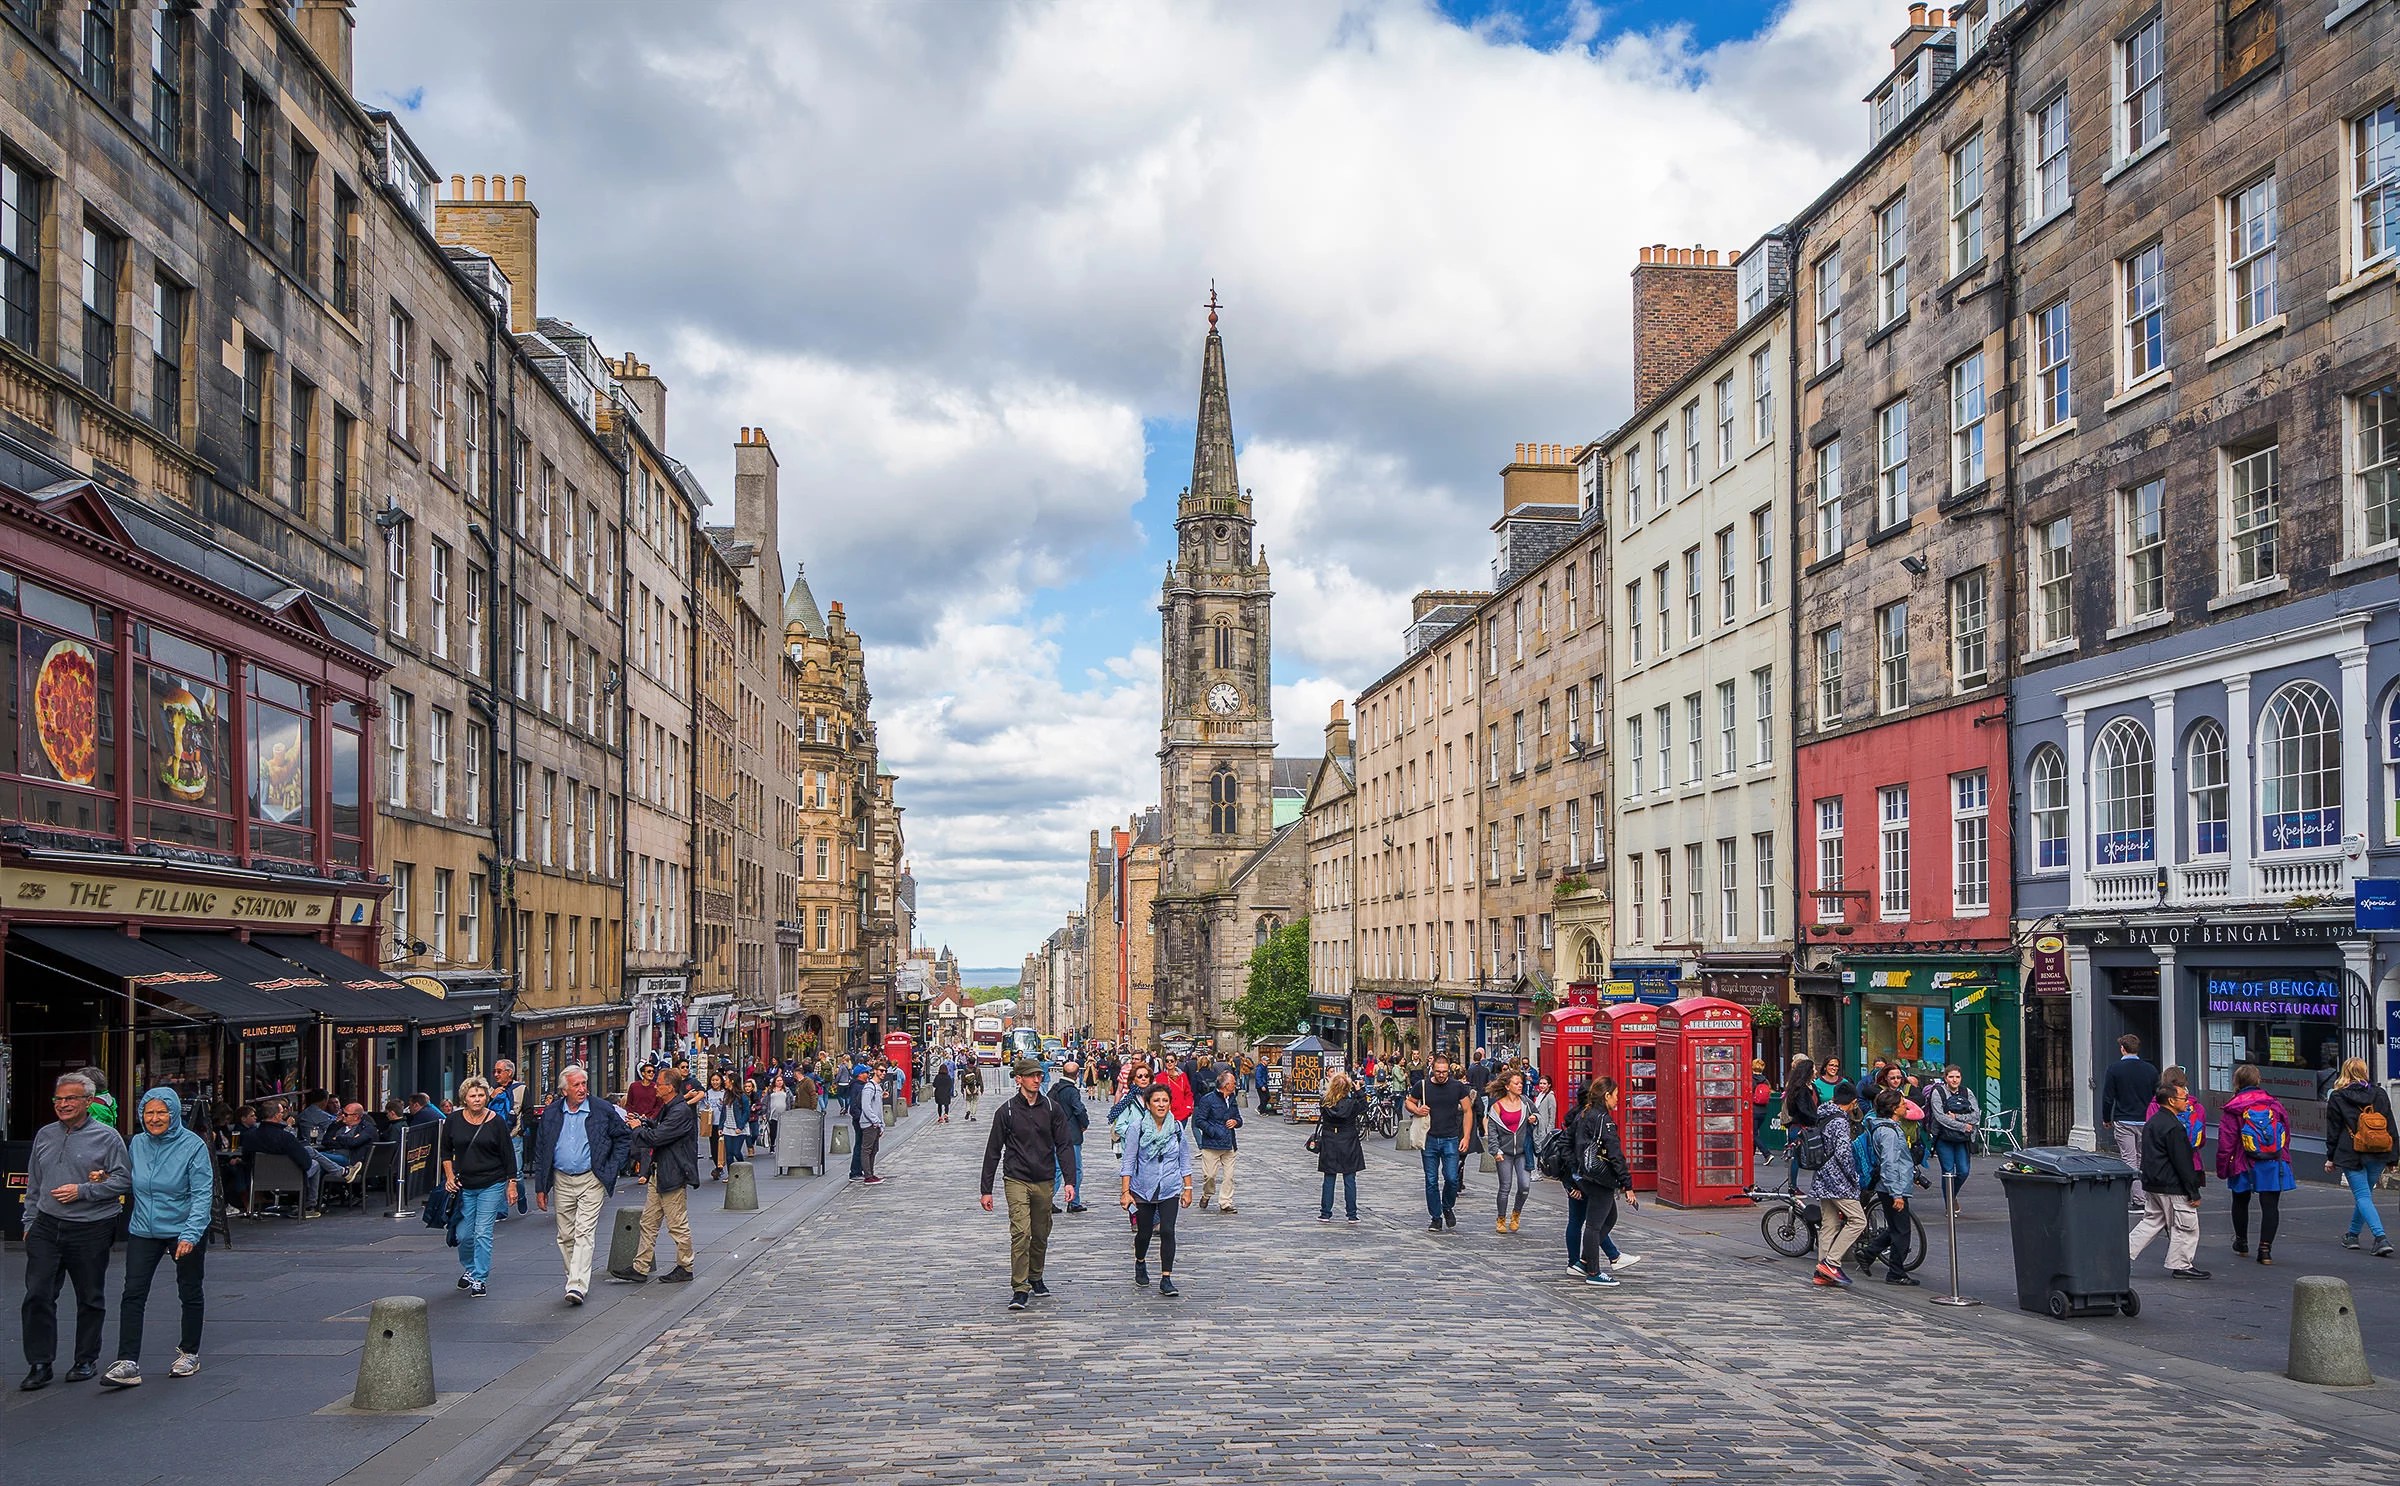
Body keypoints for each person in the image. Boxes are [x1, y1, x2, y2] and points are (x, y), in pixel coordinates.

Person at [20, 1072, 132, 1390]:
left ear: (88, 1101)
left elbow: (123, 1180)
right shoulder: (44, 1135)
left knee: (89, 1297)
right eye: (59, 1099)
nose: (64, 1104)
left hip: (91, 1226)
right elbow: (34, 1184)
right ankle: (40, 1363)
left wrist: (82, 1191)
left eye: (71, 1098)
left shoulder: (107, 1137)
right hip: (46, 1225)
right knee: (38, 1294)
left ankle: (85, 1360)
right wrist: (29, 1223)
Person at [101, 1088, 214, 1387]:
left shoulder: (193, 1146)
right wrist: (103, 1178)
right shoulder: (137, 1143)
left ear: (174, 1114)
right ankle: (127, 1362)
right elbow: (126, 1178)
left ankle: (189, 1352)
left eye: (161, 1112)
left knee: (189, 1290)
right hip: (143, 1228)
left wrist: (190, 1234)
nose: (154, 1119)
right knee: (133, 1293)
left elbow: (203, 1195)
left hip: (184, 1228)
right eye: (149, 1113)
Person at [979, 1058, 1080, 1312]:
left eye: (1039, 1075)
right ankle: (1020, 1287)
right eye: (1032, 1075)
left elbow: (1064, 1145)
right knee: (1021, 1232)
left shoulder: (1051, 1108)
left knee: (1041, 1232)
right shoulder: (1007, 1111)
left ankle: (1036, 1275)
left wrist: (1069, 1181)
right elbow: (993, 1150)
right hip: (1016, 1178)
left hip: (1044, 1178)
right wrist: (986, 1189)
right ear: (1019, 1079)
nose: (1037, 1079)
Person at [531, 1065, 632, 1305]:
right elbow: (542, 1150)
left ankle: (577, 1285)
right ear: (564, 1090)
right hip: (562, 1178)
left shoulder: (602, 1109)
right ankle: (573, 1276)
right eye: (576, 1085)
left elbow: (623, 1137)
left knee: (584, 1231)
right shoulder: (552, 1112)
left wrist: (611, 1167)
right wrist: (540, 1187)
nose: (582, 1089)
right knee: (565, 1235)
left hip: (591, 1178)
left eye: (584, 1084)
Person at [612, 1069, 700, 1285]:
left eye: (659, 1083)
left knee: (677, 1223)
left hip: (673, 1173)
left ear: (669, 1087)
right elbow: (659, 1129)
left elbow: (658, 1137)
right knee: (648, 1222)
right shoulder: (671, 1107)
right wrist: (643, 1122)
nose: (655, 1086)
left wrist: (636, 1129)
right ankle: (640, 1267)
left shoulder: (680, 1111)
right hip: (660, 1171)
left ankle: (685, 1266)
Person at [441, 1077, 519, 1298]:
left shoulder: (496, 1122)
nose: (477, 1099)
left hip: (492, 1182)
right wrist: (449, 1176)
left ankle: (479, 1278)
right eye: (473, 1096)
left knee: (483, 1231)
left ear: (487, 1097)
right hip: (464, 1184)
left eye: (481, 1095)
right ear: (464, 1098)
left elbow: (508, 1155)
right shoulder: (454, 1120)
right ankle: (470, 1268)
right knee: (463, 1234)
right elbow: (445, 1151)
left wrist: (511, 1184)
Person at [1118, 1083, 1194, 1296]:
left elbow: (1184, 1158)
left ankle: (1166, 1278)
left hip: (1169, 1187)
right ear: (1148, 1104)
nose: (1161, 1105)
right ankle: (1140, 1261)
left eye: (1165, 1101)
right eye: (1156, 1101)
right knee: (1144, 1233)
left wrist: (1187, 1187)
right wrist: (1126, 1192)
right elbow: (1129, 1161)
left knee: (1168, 1231)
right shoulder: (1137, 1127)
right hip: (1143, 1188)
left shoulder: (1176, 1128)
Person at [2130, 1076, 2209, 1279]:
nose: (2187, 1101)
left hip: (2153, 1182)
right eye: (2184, 1097)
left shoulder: (2154, 1122)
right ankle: (2181, 1264)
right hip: (2171, 1185)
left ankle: (2122, 1254)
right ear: (2172, 1101)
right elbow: (2182, 1162)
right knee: (2186, 1225)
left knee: (2152, 1221)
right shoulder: (2174, 1127)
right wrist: (2193, 1191)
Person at [2214, 1063, 2293, 1265]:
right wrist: (2283, 1158)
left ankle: (2241, 1242)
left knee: (2240, 1201)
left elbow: (2226, 1141)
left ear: (2237, 1082)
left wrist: (2223, 1168)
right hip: (2272, 1160)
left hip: (2243, 1161)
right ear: (2258, 1081)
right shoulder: (2274, 1105)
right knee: (2270, 1205)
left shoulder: (2234, 1108)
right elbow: (2286, 1134)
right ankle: (2265, 1250)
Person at [2323, 1057, 2395, 1256]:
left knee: (2363, 1196)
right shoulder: (2379, 1094)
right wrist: (2393, 1157)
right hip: (2379, 1151)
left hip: (2351, 1152)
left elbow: (2334, 1130)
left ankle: (2380, 1238)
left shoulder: (2338, 1097)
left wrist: (2331, 1157)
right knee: (2365, 1196)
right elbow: (2390, 1125)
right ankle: (2352, 1235)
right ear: (2364, 1071)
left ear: (2345, 1072)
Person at [1565, 1075, 1631, 1286]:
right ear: (1607, 1095)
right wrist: (1627, 1184)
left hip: (1585, 1176)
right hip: (1599, 1177)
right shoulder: (1603, 1119)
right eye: (1617, 1095)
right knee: (1594, 1226)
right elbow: (1615, 1154)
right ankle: (1593, 1271)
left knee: (1609, 1217)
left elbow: (1566, 1142)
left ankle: (1584, 1260)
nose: (1618, 1100)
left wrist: (1576, 1169)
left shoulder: (1583, 1115)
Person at [1852, 1088, 1920, 1286]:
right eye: (1901, 1104)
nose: (1905, 1106)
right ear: (1892, 1108)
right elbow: (1889, 1163)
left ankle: (1868, 1253)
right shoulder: (1888, 1132)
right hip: (1892, 1186)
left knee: (1896, 1227)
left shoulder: (1884, 1127)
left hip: (1891, 1184)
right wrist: (1896, 1193)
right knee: (1902, 1231)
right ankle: (1895, 1272)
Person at [1407, 1053, 1477, 1231]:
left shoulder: (1457, 1087)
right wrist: (1417, 1109)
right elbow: (1409, 1102)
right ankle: (1436, 1217)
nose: (1441, 1075)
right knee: (1431, 1180)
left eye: (1444, 1071)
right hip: (1429, 1138)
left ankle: (1447, 1206)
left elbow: (1468, 1111)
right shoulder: (1422, 1085)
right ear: (1432, 1069)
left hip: (1451, 1138)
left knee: (1452, 1178)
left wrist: (1466, 1137)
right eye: (1438, 1071)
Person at [1809, 1081, 1866, 1289]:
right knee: (1859, 1221)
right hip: (1838, 1179)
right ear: (1852, 1102)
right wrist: (1854, 1176)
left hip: (1822, 1175)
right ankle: (1831, 1263)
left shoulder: (1823, 1113)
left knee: (1829, 1224)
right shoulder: (1840, 1121)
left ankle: (1821, 1272)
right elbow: (1843, 1153)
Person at [2100, 1033, 2161, 1210]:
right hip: (2145, 1119)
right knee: (2143, 1158)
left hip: (2124, 1118)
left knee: (2129, 1158)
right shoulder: (2150, 1069)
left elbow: (2108, 1097)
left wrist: (2106, 1117)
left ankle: (2137, 1199)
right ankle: (2146, 1196)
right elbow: (2157, 1095)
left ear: (2122, 1048)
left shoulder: (2114, 1069)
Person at [240, 1101, 328, 1216]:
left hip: (259, 1178)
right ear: (277, 1116)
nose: (282, 1115)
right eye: (282, 1112)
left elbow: (246, 1159)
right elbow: (306, 1162)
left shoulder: (249, 1136)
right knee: (315, 1164)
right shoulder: (286, 1137)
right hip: (289, 1178)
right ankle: (309, 1206)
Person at [1924, 1064, 1981, 1216]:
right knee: (1948, 1171)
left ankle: (1952, 1195)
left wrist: (1957, 1118)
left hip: (1962, 1139)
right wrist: (1964, 1126)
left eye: (1957, 1077)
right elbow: (1940, 1117)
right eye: (1951, 1077)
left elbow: (1976, 1116)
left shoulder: (1967, 1092)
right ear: (1945, 1078)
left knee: (1963, 1171)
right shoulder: (1938, 1092)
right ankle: (1949, 1203)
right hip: (1944, 1137)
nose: (1954, 1080)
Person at [1487, 1070, 1534, 1234]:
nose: (1520, 1085)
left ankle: (1516, 1212)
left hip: (1523, 1152)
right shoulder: (1497, 1106)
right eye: (1516, 1083)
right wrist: (1495, 1151)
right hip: (1504, 1152)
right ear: (1507, 1086)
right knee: (1505, 1187)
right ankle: (1501, 1218)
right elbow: (1492, 1131)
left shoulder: (1526, 1103)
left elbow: (1537, 1115)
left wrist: (1534, 1118)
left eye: (1521, 1083)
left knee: (1525, 1186)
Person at [1316, 1072, 1366, 1222]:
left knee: (1329, 1177)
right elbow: (1364, 1106)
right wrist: (1358, 1091)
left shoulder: (1325, 1102)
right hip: (1348, 1139)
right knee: (1349, 1178)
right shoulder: (1352, 1104)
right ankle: (1352, 1214)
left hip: (1330, 1139)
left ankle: (1325, 1212)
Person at [1193, 1070, 1242, 1214]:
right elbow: (1199, 1120)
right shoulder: (1208, 1099)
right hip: (1211, 1143)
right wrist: (1213, 1131)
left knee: (1229, 1176)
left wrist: (1236, 1122)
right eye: (1233, 1083)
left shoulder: (1232, 1099)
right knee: (1210, 1175)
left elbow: (1238, 1118)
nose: (1235, 1085)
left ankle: (1225, 1202)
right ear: (1226, 1085)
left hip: (1229, 1143)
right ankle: (1207, 1194)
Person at [1050, 1059, 1091, 1212]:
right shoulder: (1072, 1091)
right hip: (1071, 1135)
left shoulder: (1054, 1089)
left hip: (1055, 1133)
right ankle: (1073, 1201)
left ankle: (1048, 1199)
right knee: (1075, 1168)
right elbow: (1078, 1109)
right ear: (1076, 1075)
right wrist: (1084, 1123)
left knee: (1057, 1168)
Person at [1780, 1055, 1820, 1187]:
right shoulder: (1801, 1089)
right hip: (1800, 1128)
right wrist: (1817, 1119)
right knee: (1797, 1158)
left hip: (1804, 1127)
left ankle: (1803, 1186)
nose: (1815, 1071)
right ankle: (1793, 1187)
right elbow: (1803, 1109)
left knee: (1808, 1157)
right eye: (1813, 1069)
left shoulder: (1809, 1087)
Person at [855, 1062, 887, 1185]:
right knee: (867, 1150)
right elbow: (866, 1106)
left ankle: (871, 1173)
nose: (883, 1073)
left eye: (884, 1071)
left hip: (876, 1124)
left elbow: (878, 1108)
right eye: (881, 1070)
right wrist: (875, 1121)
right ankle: (868, 1176)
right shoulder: (869, 1087)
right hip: (869, 1124)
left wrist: (881, 1124)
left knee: (874, 1150)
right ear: (875, 1071)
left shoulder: (877, 1087)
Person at [1749, 1060, 1775, 1156]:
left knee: (1753, 1134)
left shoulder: (1750, 1080)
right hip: (1763, 1111)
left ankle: (1767, 1154)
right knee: (1755, 1133)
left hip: (1753, 1110)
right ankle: (1751, 1154)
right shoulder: (1766, 1081)